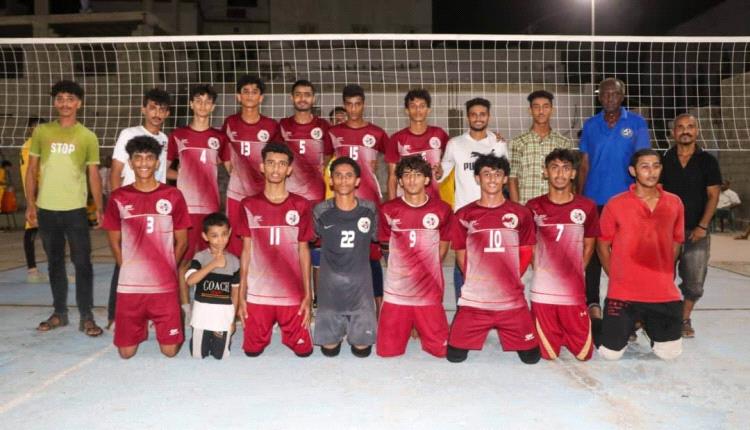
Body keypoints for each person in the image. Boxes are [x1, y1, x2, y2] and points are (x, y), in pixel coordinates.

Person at [25, 80, 104, 337]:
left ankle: (86, 316)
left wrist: (99, 208)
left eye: (70, 99)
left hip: (75, 211)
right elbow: (32, 171)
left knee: (83, 264)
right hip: (47, 210)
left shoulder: (87, 136)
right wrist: (30, 204)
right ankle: (60, 312)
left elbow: (94, 175)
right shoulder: (42, 132)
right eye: (60, 98)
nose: (65, 103)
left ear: (79, 103)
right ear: (54, 102)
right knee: (55, 263)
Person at [102, 135, 190, 359]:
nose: (144, 163)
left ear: (157, 163)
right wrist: (126, 268)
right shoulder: (119, 197)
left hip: (163, 285)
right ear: (130, 163)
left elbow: (182, 241)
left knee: (169, 352)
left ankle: (176, 316)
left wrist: (169, 267)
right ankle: (140, 324)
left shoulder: (173, 195)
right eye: (138, 158)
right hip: (131, 287)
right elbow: (114, 240)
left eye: (149, 158)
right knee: (126, 353)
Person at [447, 153, 540, 364]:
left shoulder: (521, 213)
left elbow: (526, 251)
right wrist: (476, 280)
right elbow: (461, 254)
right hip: (475, 300)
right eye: (486, 174)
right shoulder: (464, 214)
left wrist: (509, 278)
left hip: (511, 299)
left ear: (505, 178)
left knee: (532, 358)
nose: (492, 179)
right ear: (477, 178)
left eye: (497, 174)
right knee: (454, 357)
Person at [595, 149, 684, 361]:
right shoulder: (615, 203)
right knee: (610, 354)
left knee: (670, 355)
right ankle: (595, 321)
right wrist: (616, 276)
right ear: (633, 171)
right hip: (623, 294)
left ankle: (648, 325)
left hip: (662, 292)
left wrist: (665, 273)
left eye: (656, 166)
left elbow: (677, 242)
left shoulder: (674, 202)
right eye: (645, 167)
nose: (651, 172)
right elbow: (602, 245)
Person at [578, 78, 651, 320]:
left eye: (615, 94)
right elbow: (584, 164)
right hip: (594, 200)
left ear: (623, 96)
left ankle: (624, 302)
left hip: (625, 202)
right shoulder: (590, 125)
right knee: (593, 254)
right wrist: (579, 199)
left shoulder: (637, 123)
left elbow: (642, 161)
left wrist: (644, 198)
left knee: (624, 254)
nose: (610, 98)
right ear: (599, 97)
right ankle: (592, 303)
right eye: (605, 94)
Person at [236, 142, 314, 357]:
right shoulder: (248, 204)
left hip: (291, 294)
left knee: (304, 351)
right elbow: (246, 251)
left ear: (289, 169)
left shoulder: (301, 205)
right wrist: (242, 295)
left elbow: (304, 251)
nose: (276, 168)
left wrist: (308, 294)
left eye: (281, 164)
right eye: (271, 163)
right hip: (259, 294)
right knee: (251, 352)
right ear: (262, 167)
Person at [376, 155, 454, 358]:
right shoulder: (388, 209)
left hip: (428, 291)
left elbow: (443, 245)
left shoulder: (442, 209)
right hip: (397, 292)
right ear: (400, 181)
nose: (412, 180)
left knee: (442, 352)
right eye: (407, 175)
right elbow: (385, 245)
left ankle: (422, 324)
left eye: (418, 175)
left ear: (427, 180)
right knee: (386, 352)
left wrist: (426, 269)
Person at [107, 87, 172, 328]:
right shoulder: (129, 134)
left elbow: (163, 175)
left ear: (167, 113)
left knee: (154, 261)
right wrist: (117, 208)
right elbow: (115, 172)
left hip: (156, 211)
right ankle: (115, 315)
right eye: (153, 108)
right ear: (143, 109)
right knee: (125, 261)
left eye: (162, 109)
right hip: (130, 209)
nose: (157, 113)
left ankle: (151, 313)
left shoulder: (165, 140)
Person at [526, 149, 599, 361]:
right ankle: (554, 329)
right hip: (543, 292)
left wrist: (576, 271)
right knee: (547, 355)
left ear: (573, 174)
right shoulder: (533, 207)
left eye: (566, 168)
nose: (560, 174)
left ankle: (566, 330)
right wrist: (540, 271)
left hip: (572, 291)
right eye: (554, 168)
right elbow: (530, 245)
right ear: (545, 172)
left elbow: (589, 244)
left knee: (584, 355)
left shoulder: (586, 206)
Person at [434, 97, 507, 301]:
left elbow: (504, 174)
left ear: (488, 116)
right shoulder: (455, 144)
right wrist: (437, 171)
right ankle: (463, 305)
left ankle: (492, 302)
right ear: (468, 117)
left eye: (482, 114)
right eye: (473, 114)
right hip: (464, 215)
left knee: (491, 258)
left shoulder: (498, 142)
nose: (478, 118)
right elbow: (442, 173)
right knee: (463, 260)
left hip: (492, 212)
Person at [166, 84, 230, 316]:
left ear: (213, 107)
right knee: (183, 260)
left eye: (207, 101)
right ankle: (184, 308)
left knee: (210, 260)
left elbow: (231, 170)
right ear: (191, 104)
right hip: (186, 208)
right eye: (198, 101)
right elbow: (164, 170)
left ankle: (207, 306)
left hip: (211, 208)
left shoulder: (219, 137)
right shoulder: (178, 135)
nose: (203, 105)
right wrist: (184, 175)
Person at [659, 113, 721, 338]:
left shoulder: (708, 161)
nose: (685, 131)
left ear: (697, 131)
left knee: (694, 283)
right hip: (666, 232)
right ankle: (655, 318)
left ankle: (684, 319)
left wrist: (702, 226)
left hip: (696, 231)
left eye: (690, 126)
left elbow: (713, 195)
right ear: (673, 132)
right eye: (680, 127)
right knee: (660, 278)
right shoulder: (663, 160)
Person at [329, 84, 388, 314]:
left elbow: (393, 160)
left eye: (358, 104)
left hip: (369, 202)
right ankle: (344, 307)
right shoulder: (333, 133)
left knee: (372, 256)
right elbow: (324, 162)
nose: (354, 109)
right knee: (344, 255)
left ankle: (379, 308)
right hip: (342, 203)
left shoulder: (377, 133)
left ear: (363, 104)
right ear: (344, 106)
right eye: (349, 104)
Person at [313, 157, 378, 357]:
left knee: (362, 351)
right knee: (329, 351)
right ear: (331, 180)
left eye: (349, 175)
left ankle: (359, 326)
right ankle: (334, 326)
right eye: (338, 175)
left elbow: (380, 240)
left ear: (357, 181)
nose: (343, 180)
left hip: (360, 289)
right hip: (330, 288)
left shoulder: (369, 209)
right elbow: (310, 243)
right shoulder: (320, 211)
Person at [222, 75, 280, 256]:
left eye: (254, 92)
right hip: (236, 193)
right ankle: (236, 275)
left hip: (263, 193)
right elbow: (224, 152)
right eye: (245, 91)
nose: (249, 95)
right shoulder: (230, 122)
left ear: (261, 97)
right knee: (235, 241)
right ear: (238, 96)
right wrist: (234, 172)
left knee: (261, 239)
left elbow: (277, 158)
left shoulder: (271, 125)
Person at [184, 212, 240, 360]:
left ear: (230, 233)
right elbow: (190, 281)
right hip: (202, 317)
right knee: (198, 355)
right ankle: (199, 335)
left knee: (220, 356)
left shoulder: (234, 261)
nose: (220, 240)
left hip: (223, 317)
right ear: (205, 236)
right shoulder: (200, 257)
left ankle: (219, 336)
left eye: (224, 234)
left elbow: (235, 293)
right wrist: (213, 264)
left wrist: (232, 320)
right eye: (214, 235)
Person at [509, 90, 573, 204]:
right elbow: (512, 178)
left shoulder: (564, 143)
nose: (541, 111)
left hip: (555, 206)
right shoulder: (517, 142)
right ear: (530, 111)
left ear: (552, 110)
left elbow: (568, 178)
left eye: (546, 107)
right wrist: (517, 209)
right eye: (536, 107)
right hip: (526, 206)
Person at [386, 88, 449, 201]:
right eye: (413, 106)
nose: (418, 110)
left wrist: (442, 170)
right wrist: (391, 205)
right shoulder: (397, 138)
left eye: (422, 106)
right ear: (407, 110)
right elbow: (392, 177)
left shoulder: (440, 134)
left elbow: (449, 163)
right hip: (406, 201)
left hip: (434, 200)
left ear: (428, 110)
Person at [19, 117, 48, 283]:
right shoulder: (29, 147)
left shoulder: (42, 146)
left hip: (45, 194)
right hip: (36, 196)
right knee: (34, 229)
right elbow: (29, 174)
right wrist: (32, 200)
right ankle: (33, 271)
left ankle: (51, 270)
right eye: (36, 128)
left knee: (46, 231)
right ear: (31, 129)